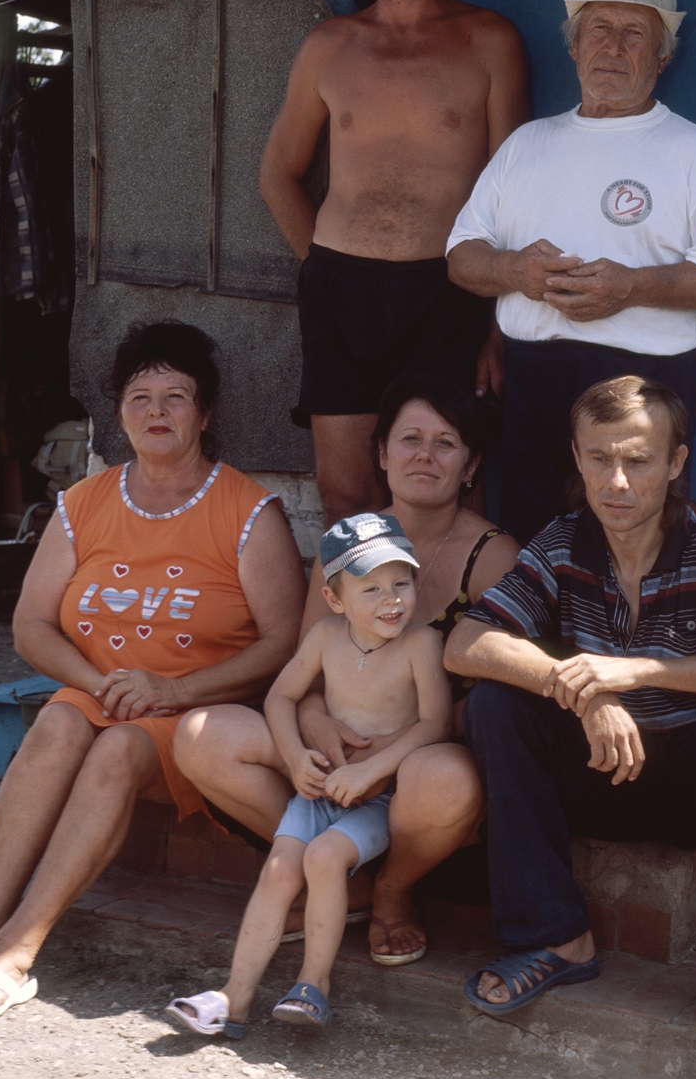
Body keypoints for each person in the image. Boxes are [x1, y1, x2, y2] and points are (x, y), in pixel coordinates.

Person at [0, 322, 306, 1021]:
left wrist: (169, 689)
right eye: (140, 396)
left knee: (116, 748)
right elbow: (31, 624)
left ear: (205, 413)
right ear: (118, 410)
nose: (156, 412)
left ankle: (18, 951)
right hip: (103, 691)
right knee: (56, 727)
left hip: (193, 709)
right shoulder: (85, 501)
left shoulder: (247, 511)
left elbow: (282, 642)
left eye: (176, 396)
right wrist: (97, 681)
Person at [445, 376, 696, 1078]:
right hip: (596, 770)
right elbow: (465, 642)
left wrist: (639, 671)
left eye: (639, 460)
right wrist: (586, 694)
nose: (617, 481)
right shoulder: (560, 544)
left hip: (695, 785)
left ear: (676, 462)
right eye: (599, 459)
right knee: (494, 702)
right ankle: (557, 939)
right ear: (577, 460)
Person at [176, 375, 517, 965]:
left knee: (447, 780)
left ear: (470, 466)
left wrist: (389, 754)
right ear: (382, 454)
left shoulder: (494, 556)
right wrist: (315, 724)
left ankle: (391, 891)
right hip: (337, 742)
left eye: (446, 443)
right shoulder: (345, 548)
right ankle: (340, 880)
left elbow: (495, 698)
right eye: (409, 438)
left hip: (426, 750)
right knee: (200, 736)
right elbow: (307, 667)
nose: (424, 455)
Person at [446, 0, 696, 546]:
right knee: (531, 540)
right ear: (574, 46)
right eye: (600, 29)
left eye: (634, 33)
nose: (613, 47)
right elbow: (462, 257)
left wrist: (632, 287)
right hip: (532, 377)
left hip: (643, 385)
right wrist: (515, 270)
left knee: (632, 545)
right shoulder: (528, 144)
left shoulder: (690, 150)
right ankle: (534, 642)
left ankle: (622, 642)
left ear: (662, 58)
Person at [258, 0, 530, 525]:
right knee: (347, 495)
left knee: (451, 493)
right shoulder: (330, 46)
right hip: (340, 292)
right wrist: (321, 270)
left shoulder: (488, 40)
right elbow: (277, 175)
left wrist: (498, 326)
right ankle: (361, 630)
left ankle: (452, 633)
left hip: (447, 293)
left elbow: (515, 192)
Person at [165, 514, 450, 1036]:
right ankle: (235, 996)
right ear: (336, 599)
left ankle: (312, 986)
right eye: (371, 589)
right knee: (280, 868)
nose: (392, 600)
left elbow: (436, 722)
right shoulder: (323, 636)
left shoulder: (420, 644)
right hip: (322, 790)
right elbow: (281, 695)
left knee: (323, 858)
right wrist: (296, 757)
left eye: (401, 584)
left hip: (380, 796)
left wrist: (372, 771)